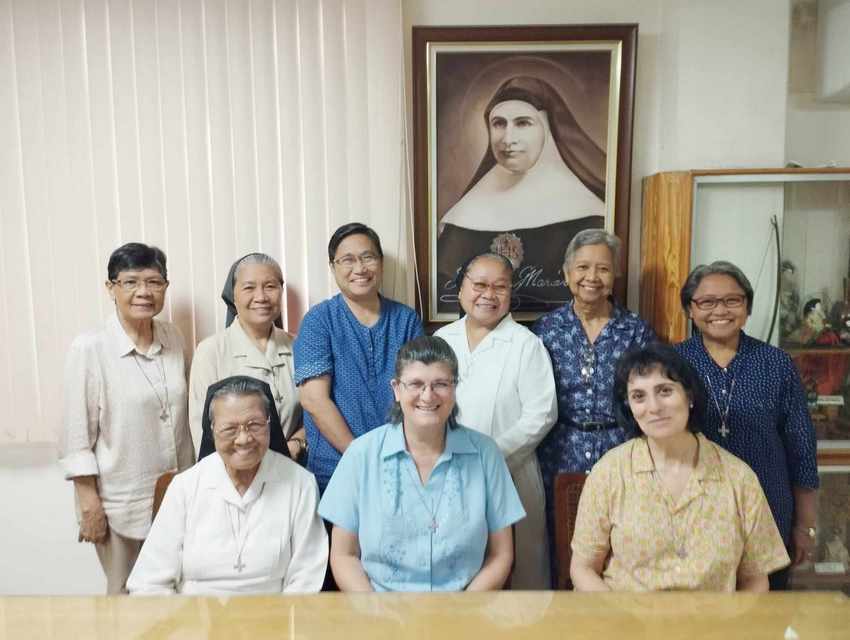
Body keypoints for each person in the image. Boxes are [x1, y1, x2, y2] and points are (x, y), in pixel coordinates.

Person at [570, 344, 790, 591]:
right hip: (629, 623)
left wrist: (733, 628)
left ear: (690, 395)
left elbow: (755, 579)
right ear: (629, 407)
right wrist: (622, 621)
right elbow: (583, 568)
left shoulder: (738, 478)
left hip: (713, 626)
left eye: (665, 391)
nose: (653, 407)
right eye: (638, 396)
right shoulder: (609, 473)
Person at [318, 335, 525, 591]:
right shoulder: (361, 454)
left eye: (440, 384)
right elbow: (343, 556)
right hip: (381, 614)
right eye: (415, 384)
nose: (428, 396)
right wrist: (374, 615)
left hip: (465, 612)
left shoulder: (485, 454)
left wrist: (465, 614)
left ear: (454, 388)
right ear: (396, 389)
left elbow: (501, 554)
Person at [59, 242, 195, 594]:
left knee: (178, 593)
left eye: (154, 282)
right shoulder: (90, 347)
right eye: (131, 282)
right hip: (121, 501)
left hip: (177, 493)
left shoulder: (173, 337)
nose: (144, 292)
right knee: (125, 597)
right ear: (111, 288)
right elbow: (76, 437)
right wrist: (89, 505)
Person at [674, 261, 819, 590]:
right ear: (689, 309)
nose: (720, 310)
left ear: (747, 306)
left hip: (769, 509)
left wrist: (805, 524)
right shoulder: (672, 363)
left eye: (732, 300)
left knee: (764, 612)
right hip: (694, 511)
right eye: (707, 302)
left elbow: (801, 447)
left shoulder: (776, 363)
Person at [531, 228, 655, 583]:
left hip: (621, 450)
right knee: (562, 547)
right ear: (567, 273)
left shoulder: (635, 330)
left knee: (618, 547)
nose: (592, 277)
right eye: (583, 267)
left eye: (602, 268)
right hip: (558, 452)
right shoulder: (546, 330)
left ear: (615, 275)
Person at [127, 376, 327, 595]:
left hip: (273, 619)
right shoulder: (185, 487)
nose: (243, 439)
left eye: (254, 425)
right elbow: (148, 582)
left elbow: (306, 578)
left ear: (269, 423)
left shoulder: (300, 484)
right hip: (197, 620)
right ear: (212, 430)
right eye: (230, 429)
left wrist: (277, 626)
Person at [435, 252, 556, 589]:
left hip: (510, 473)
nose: (489, 295)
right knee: (458, 569)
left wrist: (488, 455)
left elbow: (542, 414)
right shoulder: (442, 340)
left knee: (518, 573)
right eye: (480, 285)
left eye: (500, 287)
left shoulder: (526, 344)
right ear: (461, 290)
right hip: (448, 473)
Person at [437, 76, 607, 313]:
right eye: (498, 123)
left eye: (523, 123)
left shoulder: (589, 214)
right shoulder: (465, 213)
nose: (508, 139)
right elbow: (444, 287)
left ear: (547, 129)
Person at [294, 222, 423, 492]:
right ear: (333, 268)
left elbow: (419, 394)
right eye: (347, 260)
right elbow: (314, 399)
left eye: (368, 257)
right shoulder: (319, 321)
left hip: (398, 465)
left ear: (381, 263)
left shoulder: (406, 320)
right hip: (335, 468)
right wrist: (358, 454)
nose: (360, 268)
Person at [189, 253, 304, 461]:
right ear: (233, 296)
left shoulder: (299, 346)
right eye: (249, 288)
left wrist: (296, 443)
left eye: (270, 286)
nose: (261, 297)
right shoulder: (210, 351)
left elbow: (314, 410)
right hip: (231, 476)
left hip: (291, 469)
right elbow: (202, 431)